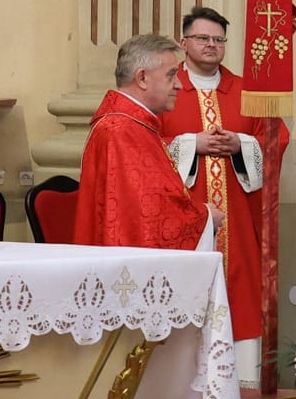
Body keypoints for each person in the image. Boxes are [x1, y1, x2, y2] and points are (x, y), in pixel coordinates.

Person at [158, 7, 286, 380]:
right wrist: (190, 144)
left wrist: (242, 144)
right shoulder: (167, 89)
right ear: (184, 43)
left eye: (218, 39)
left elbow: (277, 138)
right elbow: (145, 146)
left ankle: (243, 389)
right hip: (182, 223)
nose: (211, 45)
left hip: (239, 222)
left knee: (242, 295)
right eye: (202, 38)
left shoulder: (248, 92)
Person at [74, 34, 216, 251]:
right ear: (142, 78)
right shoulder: (120, 131)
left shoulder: (135, 125)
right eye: (171, 75)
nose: (178, 85)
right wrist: (205, 218)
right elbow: (145, 218)